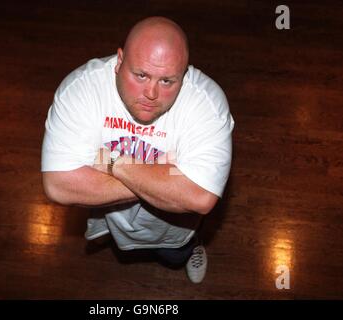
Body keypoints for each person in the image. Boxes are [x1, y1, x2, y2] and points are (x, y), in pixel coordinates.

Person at [41, 16, 234, 284]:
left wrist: (112, 162)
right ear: (119, 61)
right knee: (121, 250)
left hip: (174, 229)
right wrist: (165, 175)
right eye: (141, 75)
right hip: (111, 219)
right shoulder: (82, 89)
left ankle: (194, 249)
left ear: (184, 74)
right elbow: (58, 185)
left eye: (167, 81)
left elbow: (200, 197)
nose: (151, 93)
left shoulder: (207, 104)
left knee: (176, 256)